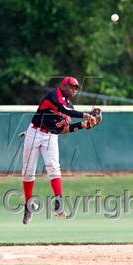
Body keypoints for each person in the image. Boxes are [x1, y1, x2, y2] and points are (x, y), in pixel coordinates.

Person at [21, 76, 101, 224]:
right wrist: (86, 115)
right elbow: (63, 109)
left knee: (54, 168)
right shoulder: (54, 96)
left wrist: (83, 125)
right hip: (34, 132)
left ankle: (58, 204)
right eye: (72, 87)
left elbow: (62, 130)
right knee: (28, 172)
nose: (74, 90)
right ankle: (28, 206)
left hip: (50, 136)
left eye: (76, 88)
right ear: (64, 86)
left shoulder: (68, 107)